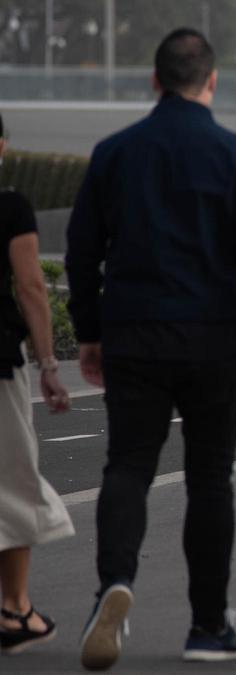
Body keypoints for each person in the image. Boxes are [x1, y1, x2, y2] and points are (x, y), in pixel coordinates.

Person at [65, 28, 236, 670]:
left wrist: (88, 332)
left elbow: (82, 251)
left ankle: (114, 582)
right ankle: (207, 625)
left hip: (134, 335)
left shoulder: (115, 153)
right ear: (212, 81)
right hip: (213, 340)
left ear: (154, 81)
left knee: (128, 465)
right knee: (210, 479)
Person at [0, 112, 74, 657]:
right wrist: (49, 365)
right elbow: (30, 286)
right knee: (15, 484)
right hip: (0, 365)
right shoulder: (9, 208)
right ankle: (15, 608)